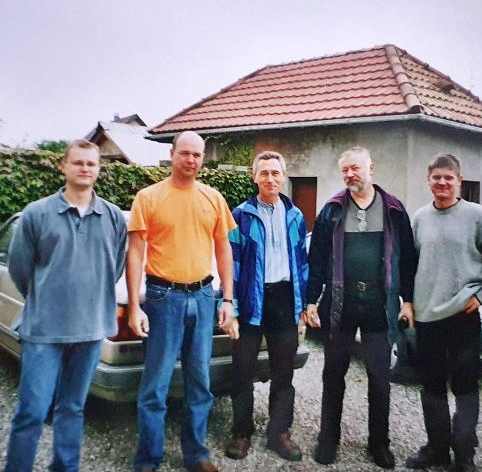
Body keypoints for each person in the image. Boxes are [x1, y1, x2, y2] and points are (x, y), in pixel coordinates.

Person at [4, 140, 127, 472]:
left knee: (72, 409)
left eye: (91, 163)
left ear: (99, 169)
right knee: (32, 412)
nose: (85, 168)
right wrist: (48, 299)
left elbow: (114, 267)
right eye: (78, 162)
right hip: (44, 331)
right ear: (64, 167)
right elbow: (20, 269)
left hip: (90, 331)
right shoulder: (37, 213)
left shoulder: (113, 216)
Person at [127, 131, 237, 472]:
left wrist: (228, 299)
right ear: (172, 154)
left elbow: (224, 249)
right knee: (155, 384)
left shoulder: (213, 198)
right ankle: (149, 458)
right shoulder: (148, 197)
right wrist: (134, 306)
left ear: (203, 158)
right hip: (163, 297)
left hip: (203, 296)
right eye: (185, 153)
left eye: (197, 155)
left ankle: (197, 455)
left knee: (200, 381)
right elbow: (135, 253)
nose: (191, 160)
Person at [304, 146, 416, 469]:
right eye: (345, 170)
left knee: (379, 379)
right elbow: (316, 259)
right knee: (332, 376)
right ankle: (328, 440)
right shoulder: (332, 210)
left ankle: (379, 443)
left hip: (379, 307)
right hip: (341, 306)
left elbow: (407, 259)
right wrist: (311, 300)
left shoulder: (393, 209)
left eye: (356, 168)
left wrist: (407, 301)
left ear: (371, 169)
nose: (350, 174)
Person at [224, 151, 308, 462]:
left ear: (283, 177)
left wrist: (302, 306)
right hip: (251, 300)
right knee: (242, 370)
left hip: (284, 300)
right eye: (264, 173)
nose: (270, 179)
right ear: (254, 177)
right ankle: (242, 432)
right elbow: (232, 262)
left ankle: (279, 433)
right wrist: (231, 306)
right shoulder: (241, 215)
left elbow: (302, 264)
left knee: (283, 372)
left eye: (275, 173)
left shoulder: (296, 216)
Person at [404, 154, 481, 472]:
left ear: (459, 181)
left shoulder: (476, 215)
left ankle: (464, 454)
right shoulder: (420, 218)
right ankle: (436, 448)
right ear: (429, 181)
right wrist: (408, 302)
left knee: (465, 386)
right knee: (432, 386)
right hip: (427, 316)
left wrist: (480, 295)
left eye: (449, 177)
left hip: (463, 313)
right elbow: (410, 264)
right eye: (436, 177)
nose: (442, 183)